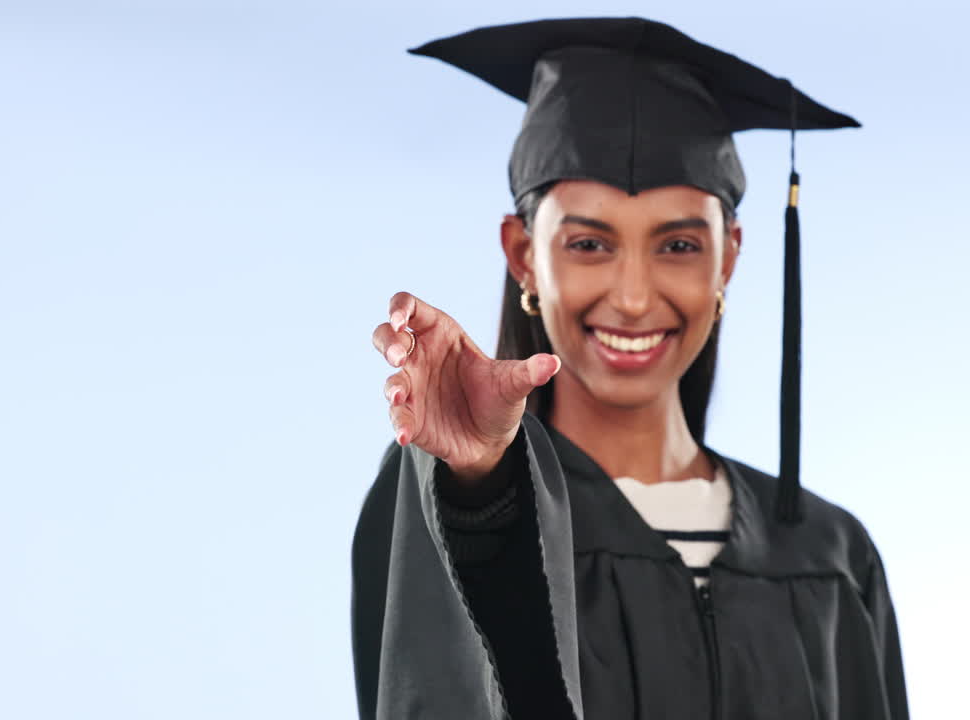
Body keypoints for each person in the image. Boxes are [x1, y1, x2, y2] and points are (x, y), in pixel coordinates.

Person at [352, 17, 909, 720]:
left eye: (678, 244)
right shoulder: (467, 502)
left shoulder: (832, 557)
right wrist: (481, 493)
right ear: (523, 253)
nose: (635, 297)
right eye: (589, 243)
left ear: (728, 257)